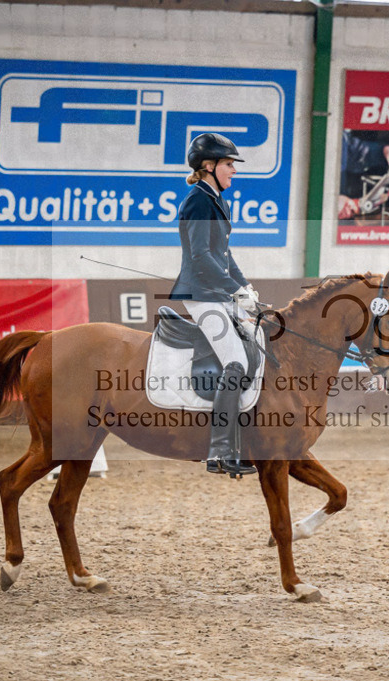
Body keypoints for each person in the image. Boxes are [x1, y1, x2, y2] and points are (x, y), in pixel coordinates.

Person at [169, 133, 258, 477]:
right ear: (209, 166)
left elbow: (224, 254)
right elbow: (201, 255)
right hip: (200, 295)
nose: (234, 170)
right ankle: (219, 451)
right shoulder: (198, 200)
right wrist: (233, 289)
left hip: (217, 292)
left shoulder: (216, 198)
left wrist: (245, 286)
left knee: (256, 343)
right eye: (229, 164)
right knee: (235, 362)